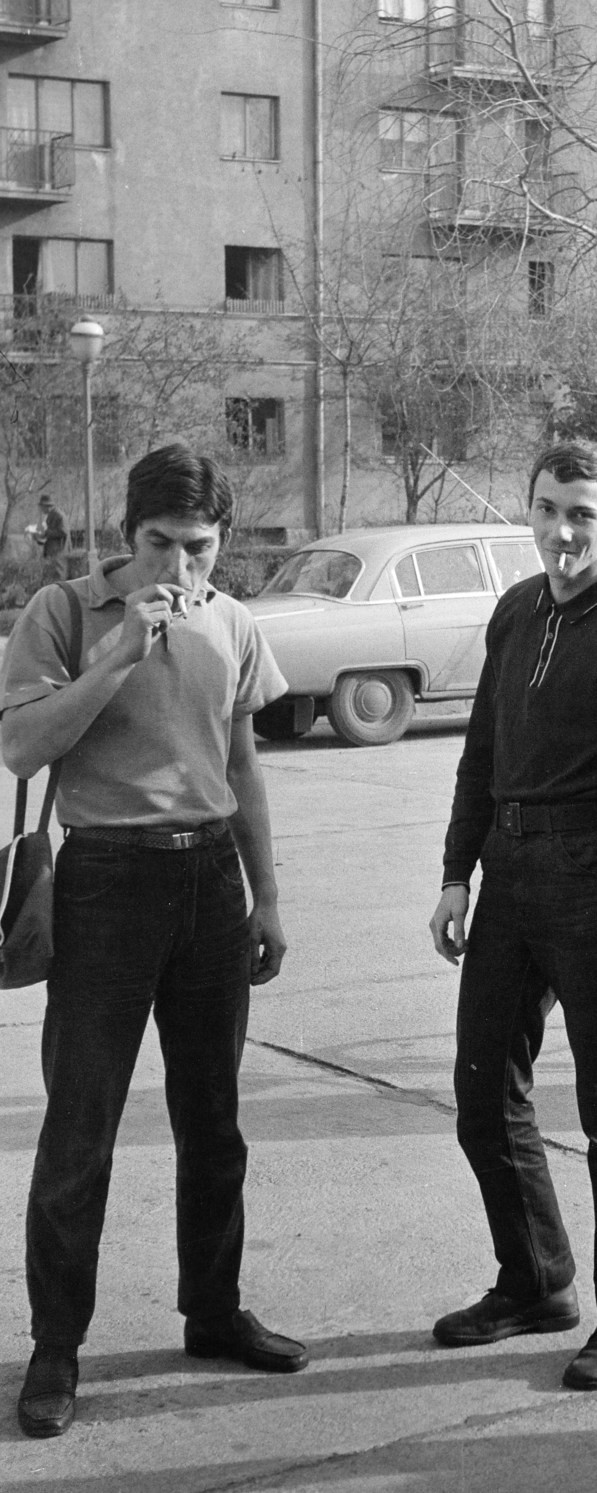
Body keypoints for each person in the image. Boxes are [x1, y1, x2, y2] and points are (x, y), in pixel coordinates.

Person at [1, 443, 307, 1441]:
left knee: (215, 1122)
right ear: (123, 538)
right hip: (106, 884)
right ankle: (56, 1347)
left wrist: (266, 896)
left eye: (200, 547)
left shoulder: (233, 621)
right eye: (159, 545)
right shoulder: (62, 611)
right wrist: (122, 650)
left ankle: (212, 1311)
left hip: (209, 878)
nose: (181, 568)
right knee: (80, 1130)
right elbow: (22, 744)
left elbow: (245, 766)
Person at [429, 438, 597, 1391]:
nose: (561, 531)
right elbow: (480, 750)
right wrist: (456, 873)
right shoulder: (516, 612)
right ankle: (535, 1279)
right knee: (481, 1094)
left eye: (583, 513)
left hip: (595, 873)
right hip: (506, 872)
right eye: (548, 509)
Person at [31, 493, 70, 585]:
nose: (41, 509)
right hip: (52, 552)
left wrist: (46, 533)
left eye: (42, 506)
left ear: (48, 506)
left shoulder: (59, 516)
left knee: (59, 579)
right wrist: (38, 537)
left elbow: (64, 532)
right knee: (52, 579)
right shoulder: (51, 515)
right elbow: (51, 535)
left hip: (59, 552)